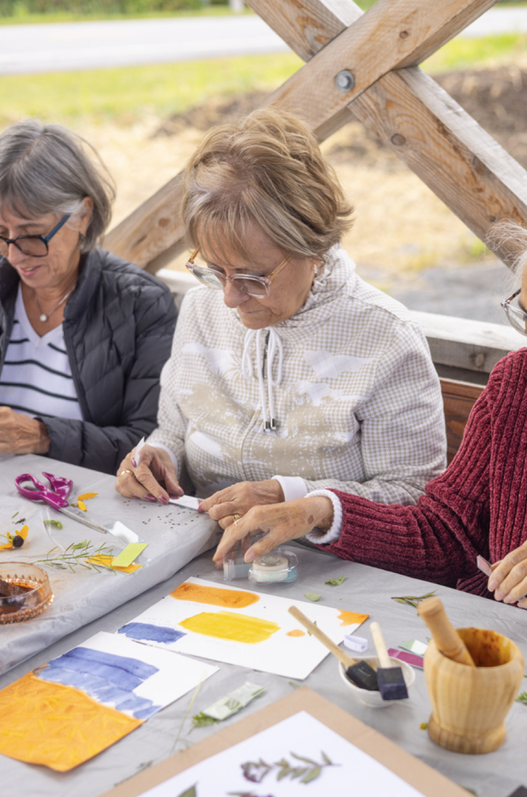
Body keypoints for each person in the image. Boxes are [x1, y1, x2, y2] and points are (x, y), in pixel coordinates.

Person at [116, 108, 447, 518]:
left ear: (312, 245)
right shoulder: (203, 305)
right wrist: (158, 457)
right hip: (203, 547)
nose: (229, 299)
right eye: (214, 269)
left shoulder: (384, 337)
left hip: (326, 568)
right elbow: (175, 430)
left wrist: (294, 499)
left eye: (253, 276)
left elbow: (413, 495)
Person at [212, 222, 527, 608]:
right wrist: (320, 510)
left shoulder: (386, 331)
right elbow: (446, 535)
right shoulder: (515, 385)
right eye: (525, 315)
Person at [0, 119, 178, 474]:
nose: (14, 255)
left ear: (82, 214)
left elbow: (152, 443)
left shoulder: (141, 304)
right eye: (0, 234)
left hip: (81, 508)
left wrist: (44, 435)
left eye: (32, 234)